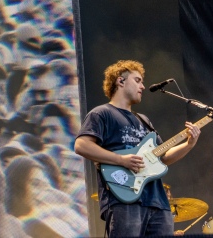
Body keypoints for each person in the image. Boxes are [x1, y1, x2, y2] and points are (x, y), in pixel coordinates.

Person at [74, 60, 201, 237]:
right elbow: (81, 145)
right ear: (120, 81)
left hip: (158, 201)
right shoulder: (101, 113)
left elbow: (163, 158)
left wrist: (189, 144)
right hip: (123, 197)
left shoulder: (144, 120)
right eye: (138, 80)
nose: (142, 86)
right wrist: (120, 160)